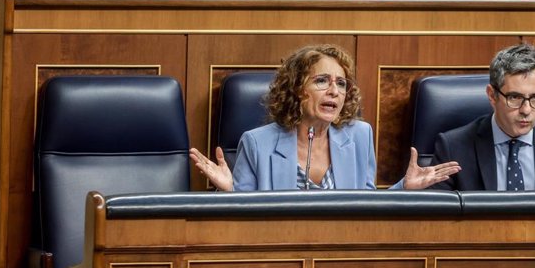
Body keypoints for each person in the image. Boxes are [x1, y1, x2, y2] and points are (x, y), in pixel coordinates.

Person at [190, 44, 460, 191]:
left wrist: (404, 189)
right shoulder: (256, 143)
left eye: (341, 84)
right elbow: (246, 218)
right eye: (322, 81)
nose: (334, 91)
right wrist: (229, 193)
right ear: (297, 88)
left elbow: (365, 210)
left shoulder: (359, 136)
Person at [429, 43, 535, 191]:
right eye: (515, 97)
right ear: (492, 95)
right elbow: (434, 216)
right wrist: (410, 191)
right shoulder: (453, 148)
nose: (526, 110)